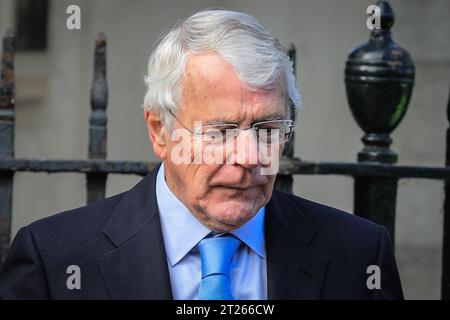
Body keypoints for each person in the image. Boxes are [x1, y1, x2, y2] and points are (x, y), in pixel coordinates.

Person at [0, 9, 403, 300]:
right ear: (160, 131)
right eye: (220, 131)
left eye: (267, 130)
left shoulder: (359, 256)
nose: (250, 157)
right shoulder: (55, 260)